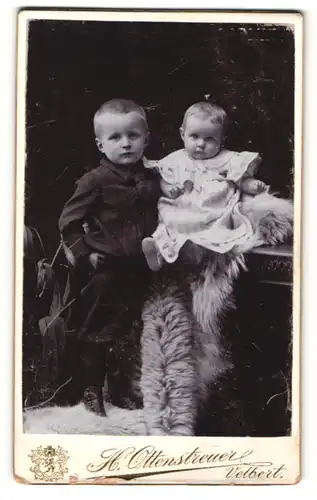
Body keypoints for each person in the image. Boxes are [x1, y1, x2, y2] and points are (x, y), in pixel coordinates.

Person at [58, 98, 160, 414]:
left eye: (133, 135)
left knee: (128, 331)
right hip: (106, 271)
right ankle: (92, 391)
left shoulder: (155, 176)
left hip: (141, 270)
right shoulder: (94, 181)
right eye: (115, 138)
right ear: (100, 144)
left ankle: (119, 390)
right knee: (99, 331)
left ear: (146, 138)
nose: (126, 143)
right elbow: (69, 223)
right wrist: (85, 255)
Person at [142, 102, 268, 271]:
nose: (201, 144)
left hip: (212, 209)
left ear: (222, 141)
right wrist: (167, 188)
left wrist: (250, 184)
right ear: (182, 134)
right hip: (182, 206)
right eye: (194, 137)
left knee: (214, 231)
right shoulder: (176, 159)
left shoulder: (226, 158)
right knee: (170, 223)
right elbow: (162, 177)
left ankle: (196, 251)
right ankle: (158, 251)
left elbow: (238, 177)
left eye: (209, 139)